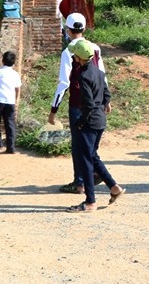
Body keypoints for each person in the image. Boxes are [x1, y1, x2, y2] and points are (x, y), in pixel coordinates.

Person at [49, 13, 107, 195]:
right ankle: (90, 174)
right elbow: (102, 74)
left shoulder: (69, 52)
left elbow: (64, 83)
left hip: (78, 104)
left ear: (67, 30)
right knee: (91, 143)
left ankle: (80, 181)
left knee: (79, 144)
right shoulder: (95, 48)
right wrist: (106, 99)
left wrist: (53, 109)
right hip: (96, 102)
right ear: (83, 28)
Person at [66, 38, 126, 212]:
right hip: (100, 121)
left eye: (75, 54)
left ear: (79, 57)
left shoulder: (83, 76)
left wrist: (80, 123)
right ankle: (114, 188)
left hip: (90, 122)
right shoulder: (99, 72)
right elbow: (107, 95)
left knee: (85, 161)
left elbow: (89, 104)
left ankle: (90, 202)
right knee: (92, 156)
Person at [0, 51, 21, 153]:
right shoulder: (15, 74)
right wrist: (16, 101)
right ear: (14, 62)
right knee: (10, 124)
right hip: (10, 101)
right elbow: (17, 89)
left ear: (2, 61)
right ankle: (11, 147)